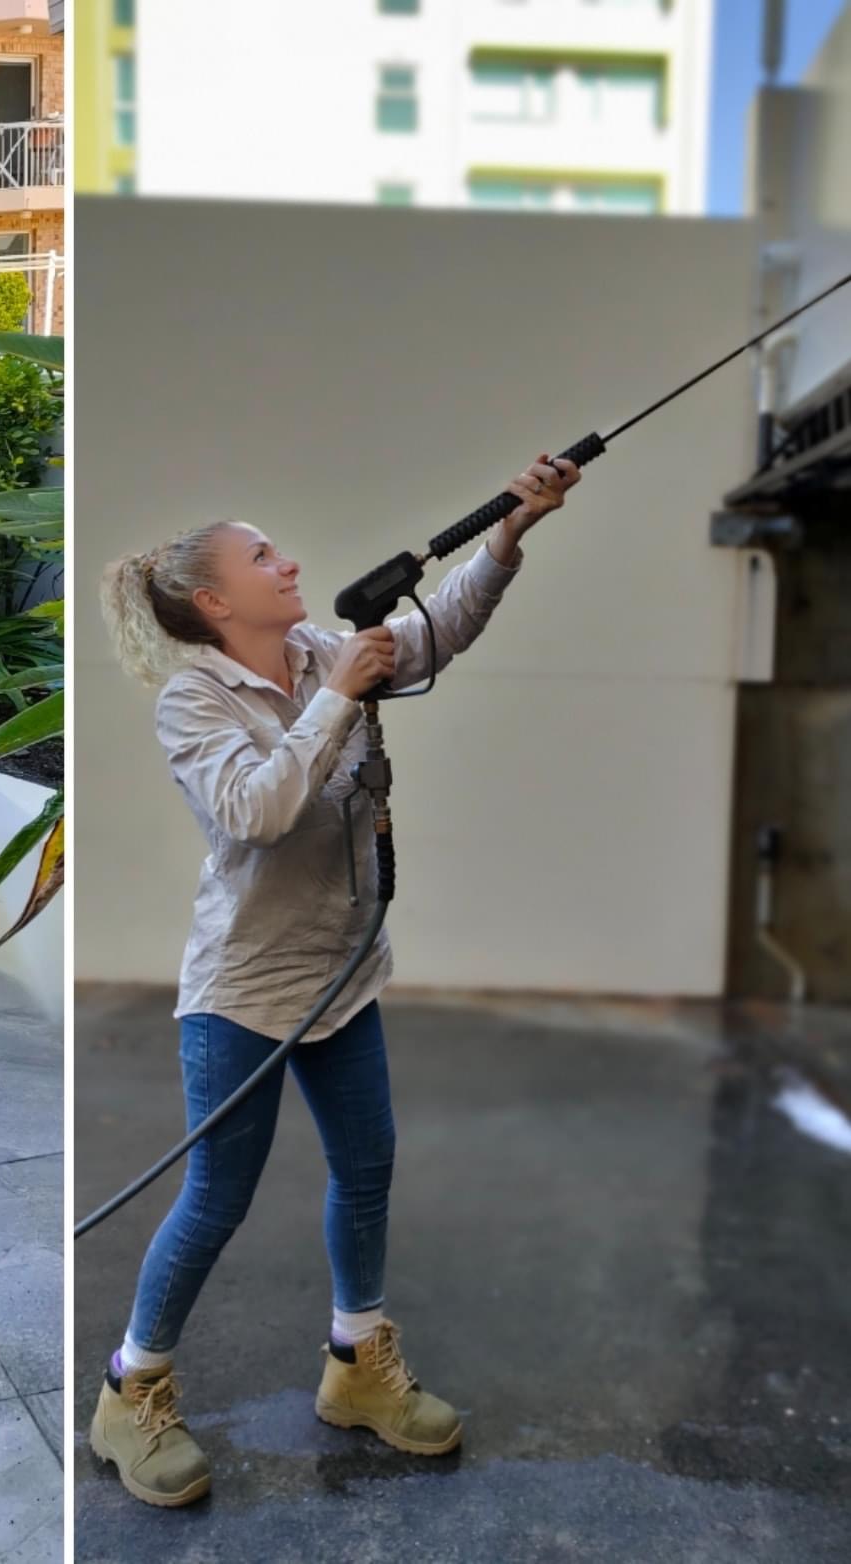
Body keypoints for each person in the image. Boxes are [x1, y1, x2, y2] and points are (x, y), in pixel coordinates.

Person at [89, 452, 583, 1506]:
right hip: (245, 987)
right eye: (263, 555)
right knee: (218, 1194)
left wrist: (509, 531)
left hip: (341, 972)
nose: (290, 560)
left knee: (367, 1168)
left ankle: (357, 1365)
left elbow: (434, 631)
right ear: (214, 600)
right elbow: (255, 813)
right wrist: (337, 704)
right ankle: (130, 1389)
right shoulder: (193, 700)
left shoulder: (320, 650)